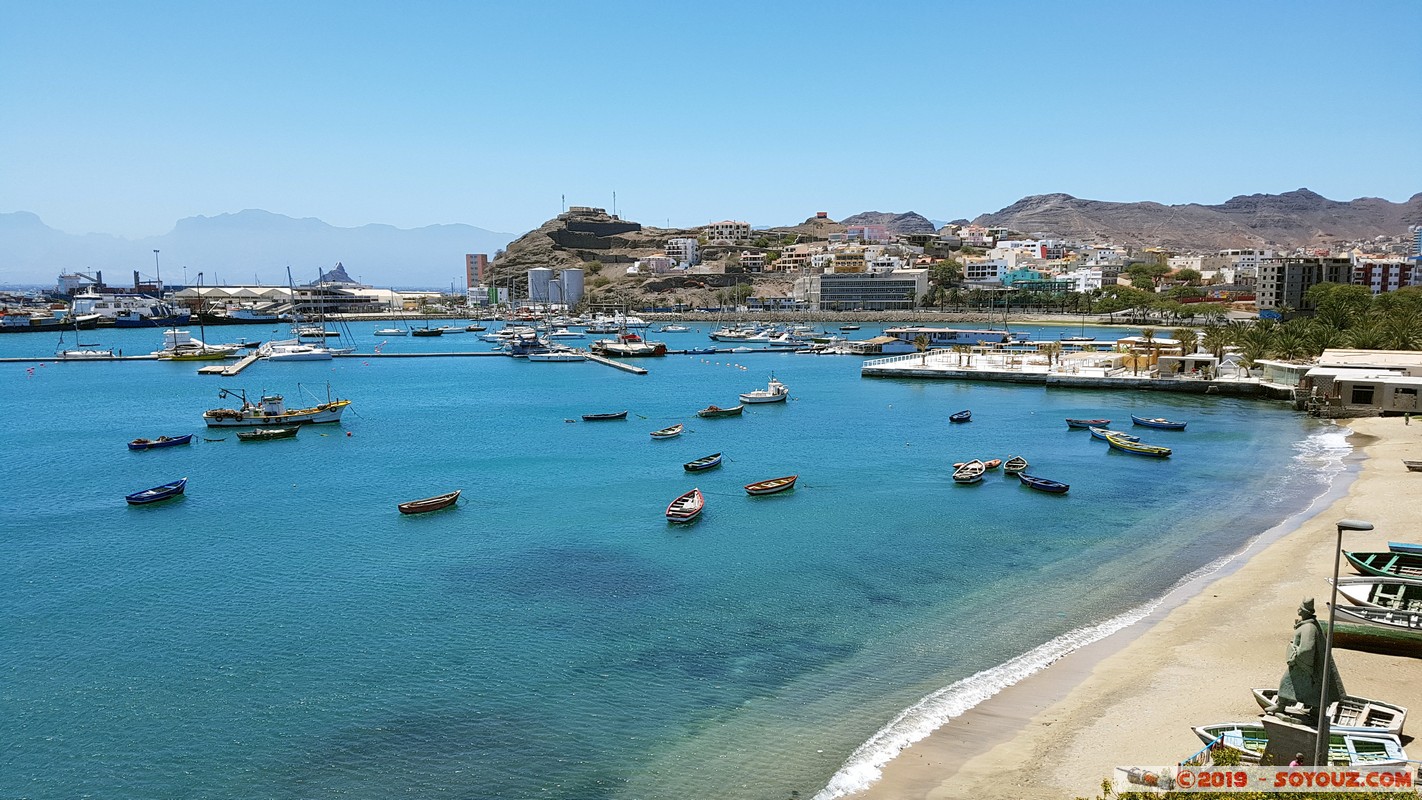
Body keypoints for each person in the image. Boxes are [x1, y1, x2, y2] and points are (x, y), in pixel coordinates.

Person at [1270, 598, 1346, 722]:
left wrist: (1294, 655)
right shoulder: (1308, 625)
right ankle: (1307, 709)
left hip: (1303, 663)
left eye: (1300, 608)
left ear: (1304, 611)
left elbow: (1307, 648)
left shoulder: (1308, 628)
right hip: (1304, 662)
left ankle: (1282, 706)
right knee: (1310, 687)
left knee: (1287, 682)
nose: (1298, 610)